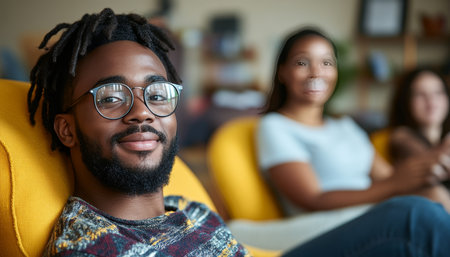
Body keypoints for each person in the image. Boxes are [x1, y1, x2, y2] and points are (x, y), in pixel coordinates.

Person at [28, 9, 450, 256]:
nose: (143, 112)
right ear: (65, 128)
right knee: (418, 218)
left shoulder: (189, 209)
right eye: (111, 97)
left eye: (158, 94)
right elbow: (310, 199)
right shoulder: (95, 245)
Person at [257, 28, 450, 241]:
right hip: (326, 227)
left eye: (326, 63)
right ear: (282, 71)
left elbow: (390, 178)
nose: (316, 72)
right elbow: (313, 199)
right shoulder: (274, 126)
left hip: (368, 215)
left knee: (434, 196)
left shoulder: (346, 127)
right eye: (302, 63)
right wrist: (395, 184)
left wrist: (431, 164)